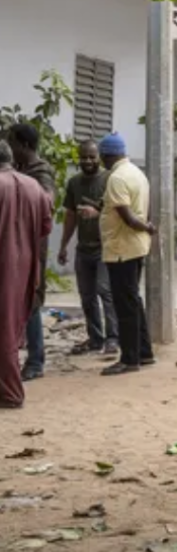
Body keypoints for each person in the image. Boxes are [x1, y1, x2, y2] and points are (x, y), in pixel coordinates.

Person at [91, 132, 156, 377]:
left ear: (108, 155)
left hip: (122, 248)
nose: (101, 163)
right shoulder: (137, 173)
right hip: (136, 246)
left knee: (124, 304)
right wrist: (146, 228)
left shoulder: (117, 178)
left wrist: (146, 227)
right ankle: (145, 352)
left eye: (101, 157)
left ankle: (129, 359)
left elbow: (128, 218)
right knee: (133, 300)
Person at [0, 141, 53, 408]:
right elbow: (46, 226)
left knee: (6, 331)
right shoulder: (34, 187)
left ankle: (11, 393)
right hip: (27, 267)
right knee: (12, 325)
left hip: (5, 266)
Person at [57, 140, 118, 357]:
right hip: (83, 249)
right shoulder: (74, 183)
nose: (88, 161)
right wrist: (64, 245)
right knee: (86, 296)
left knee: (105, 291)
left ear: (99, 157)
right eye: (84, 157)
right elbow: (71, 216)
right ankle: (95, 339)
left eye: (92, 156)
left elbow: (117, 212)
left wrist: (97, 213)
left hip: (105, 247)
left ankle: (113, 339)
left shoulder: (109, 179)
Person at [8, 123, 55, 382]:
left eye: (12, 143)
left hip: (33, 247)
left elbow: (47, 203)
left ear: (24, 146)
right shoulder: (20, 170)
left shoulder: (41, 172)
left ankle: (36, 361)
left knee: (33, 299)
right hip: (16, 244)